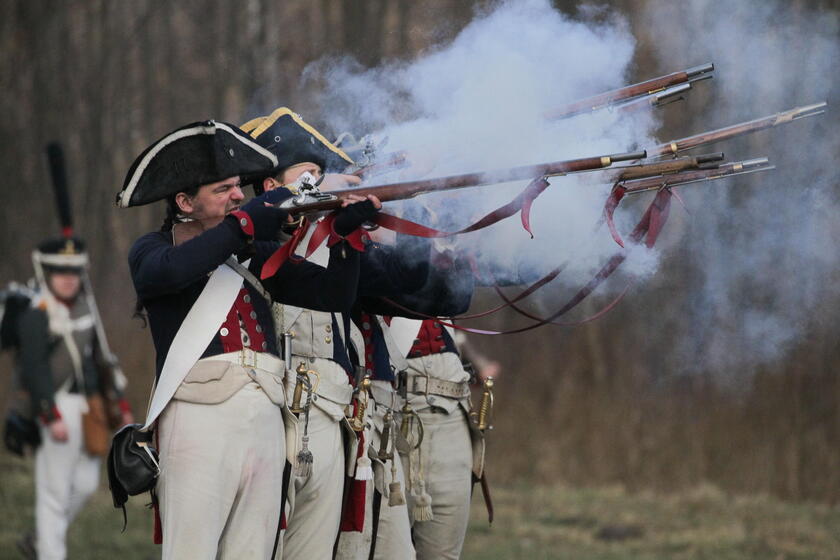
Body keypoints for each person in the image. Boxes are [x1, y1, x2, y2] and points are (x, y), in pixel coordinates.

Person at [118, 119, 380, 559]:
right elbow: (168, 272)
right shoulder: (153, 248)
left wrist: (344, 235)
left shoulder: (254, 254)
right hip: (198, 420)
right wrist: (243, 226)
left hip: (265, 423)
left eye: (237, 186)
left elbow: (333, 294)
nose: (240, 196)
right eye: (223, 190)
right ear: (184, 201)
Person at [242, 107, 431, 559]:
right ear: (275, 189)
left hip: (337, 425)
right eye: (312, 175)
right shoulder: (253, 242)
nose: (325, 183)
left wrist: (408, 203)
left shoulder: (334, 241)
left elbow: (412, 282)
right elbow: (296, 273)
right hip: (275, 427)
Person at [14, 236, 133, 560]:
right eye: (60, 273)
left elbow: (102, 361)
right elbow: (34, 368)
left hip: (90, 407)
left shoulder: (86, 310)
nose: (68, 279)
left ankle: (40, 539)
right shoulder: (36, 313)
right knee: (53, 495)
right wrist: (49, 415)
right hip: (57, 407)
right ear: (47, 275)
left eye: (73, 273)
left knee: (83, 484)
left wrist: (119, 404)